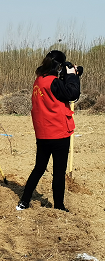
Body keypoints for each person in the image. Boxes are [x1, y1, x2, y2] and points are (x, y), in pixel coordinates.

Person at [17, 51, 81, 212]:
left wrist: (68, 76)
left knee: (39, 168)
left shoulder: (38, 80)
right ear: (59, 66)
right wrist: (72, 76)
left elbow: (58, 90)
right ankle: (59, 206)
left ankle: (24, 201)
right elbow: (72, 94)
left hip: (43, 133)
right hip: (59, 132)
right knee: (59, 172)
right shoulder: (54, 82)